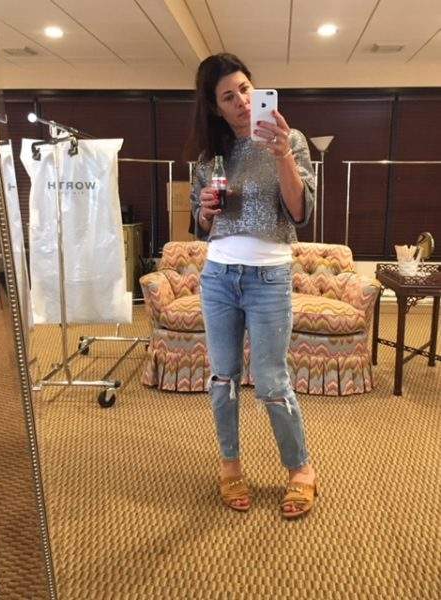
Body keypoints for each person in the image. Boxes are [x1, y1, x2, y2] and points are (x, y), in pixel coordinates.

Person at [186, 53, 317, 518]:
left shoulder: (290, 140)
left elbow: (300, 211)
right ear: (215, 106)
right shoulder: (210, 158)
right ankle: (230, 465)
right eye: (228, 97)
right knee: (222, 378)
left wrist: (282, 155)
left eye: (245, 89)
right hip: (219, 276)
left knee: (272, 381)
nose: (242, 102)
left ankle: (301, 469)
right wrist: (204, 211)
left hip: (269, 277)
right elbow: (201, 225)